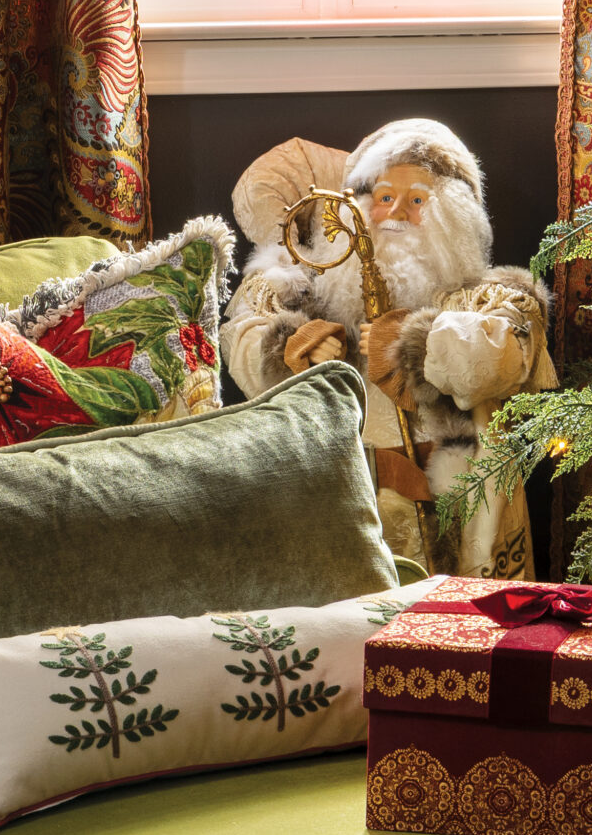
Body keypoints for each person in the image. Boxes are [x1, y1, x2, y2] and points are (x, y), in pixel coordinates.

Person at [222, 117, 554, 574]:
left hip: (457, 529)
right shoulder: (308, 293)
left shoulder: (490, 297)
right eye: (383, 198)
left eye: (417, 200)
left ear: (453, 216)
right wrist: (292, 346)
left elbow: (504, 357)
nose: (396, 213)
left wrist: (416, 342)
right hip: (337, 519)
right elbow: (244, 330)